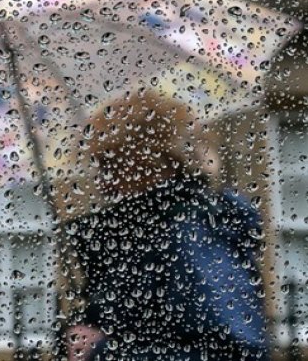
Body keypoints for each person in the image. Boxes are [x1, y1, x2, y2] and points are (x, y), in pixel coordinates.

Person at [64, 89, 270, 361]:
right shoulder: (142, 234)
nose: (102, 183)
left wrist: (101, 352)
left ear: (152, 161)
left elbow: (234, 351)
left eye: (110, 166)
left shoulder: (191, 233)